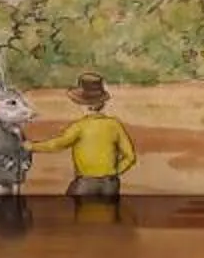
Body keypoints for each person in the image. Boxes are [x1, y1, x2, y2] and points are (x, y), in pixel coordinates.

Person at [30, 72, 137, 203]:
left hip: (86, 182)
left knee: (71, 210)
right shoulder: (114, 125)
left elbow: (57, 144)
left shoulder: (79, 127)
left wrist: (31, 146)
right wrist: (114, 171)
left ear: (83, 104)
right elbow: (130, 156)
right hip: (110, 183)